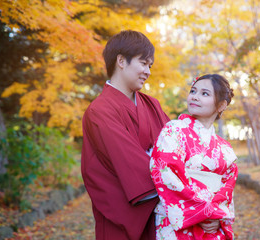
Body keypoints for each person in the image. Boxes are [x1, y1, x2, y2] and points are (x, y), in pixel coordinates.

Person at [81, 30, 170, 240]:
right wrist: (171, 180)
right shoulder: (99, 111)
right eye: (143, 63)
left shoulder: (152, 104)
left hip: (162, 217)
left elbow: (177, 150)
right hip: (123, 218)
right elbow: (128, 162)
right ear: (121, 61)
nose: (148, 71)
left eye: (150, 66)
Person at [150, 74, 238, 240]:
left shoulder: (225, 149)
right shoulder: (174, 130)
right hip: (177, 220)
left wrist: (218, 217)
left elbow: (227, 188)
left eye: (204, 93)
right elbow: (165, 172)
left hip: (211, 224)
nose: (195, 97)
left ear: (221, 105)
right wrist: (203, 211)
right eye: (193, 91)